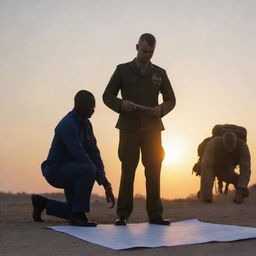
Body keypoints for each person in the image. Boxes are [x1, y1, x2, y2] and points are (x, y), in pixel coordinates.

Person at [103, 33, 176, 225]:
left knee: (154, 170)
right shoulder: (122, 70)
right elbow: (107, 95)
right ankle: (123, 214)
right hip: (129, 128)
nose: (147, 55)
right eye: (144, 51)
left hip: (152, 130)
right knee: (128, 170)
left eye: (151, 52)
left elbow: (171, 99)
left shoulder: (160, 73)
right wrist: (121, 104)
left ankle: (156, 215)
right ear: (137, 47)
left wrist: (160, 109)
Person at [32, 90, 115, 227]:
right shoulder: (68, 124)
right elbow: (80, 155)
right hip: (56, 171)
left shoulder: (86, 125)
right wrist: (101, 179)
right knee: (88, 169)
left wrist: (106, 183)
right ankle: (78, 216)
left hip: (73, 170)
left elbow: (94, 154)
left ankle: (42, 203)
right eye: (91, 106)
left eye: (94, 107)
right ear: (79, 105)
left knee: (74, 207)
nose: (93, 110)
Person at [199, 131, 251, 204]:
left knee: (240, 183)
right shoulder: (214, 143)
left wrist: (241, 188)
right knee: (207, 177)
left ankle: (239, 196)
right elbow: (206, 165)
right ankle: (206, 197)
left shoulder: (242, 147)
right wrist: (206, 192)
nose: (229, 149)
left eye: (231, 147)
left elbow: (245, 170)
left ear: (235, 143)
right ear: (223, 143)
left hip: (226, 170)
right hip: (212, 167)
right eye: (227, 146)